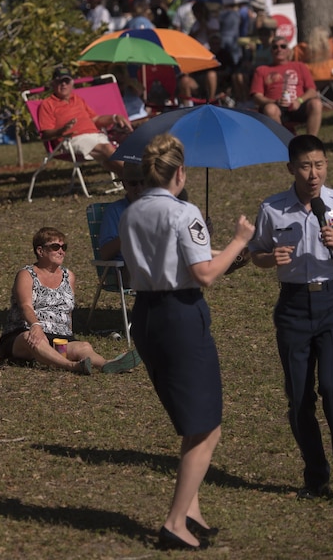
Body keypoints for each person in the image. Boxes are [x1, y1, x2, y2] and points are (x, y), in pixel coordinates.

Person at [119, 133, 254, 551]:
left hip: (145, 316)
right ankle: (175, 522)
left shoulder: (131, 211)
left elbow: (173, 258)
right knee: (206, 427)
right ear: (180, 172)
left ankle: (191, 509)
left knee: (193, 423)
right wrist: (239, 241)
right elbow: (206, 274)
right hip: (180, 315)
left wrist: (216, 250)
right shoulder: (184, 211)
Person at [249, 134, 333, 507]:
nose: (313, 173)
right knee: (299, 398)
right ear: (291, 169)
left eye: (319, 164)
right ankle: (316, 475)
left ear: (326, 166)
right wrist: (272, 258)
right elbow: (256, 254)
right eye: (305, 166)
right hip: (293, 308)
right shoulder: (273, 209)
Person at [0, 227, 141, 375]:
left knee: (83, 347)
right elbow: (25, 306)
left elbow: (68, 311)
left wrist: (68, 335)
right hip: (24, 333)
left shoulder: (69, 276)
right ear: (40, 251)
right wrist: (35, 326)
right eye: (55, 247)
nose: (61, 251)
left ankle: (107, 364)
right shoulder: (26, 274)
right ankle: (71, 366)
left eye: (63, 247)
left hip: (58, 337)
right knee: (33, 339)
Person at [37, 67, 132, 177]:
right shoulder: (47, 104)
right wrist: (62, 130)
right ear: (53, 83)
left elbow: (95, 120)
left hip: (95, 135)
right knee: (106, 149)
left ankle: (132, 184)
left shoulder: (78, 99)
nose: (63, 84)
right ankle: (139, 176)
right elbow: (45, 134)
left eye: (66, 81)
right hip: (71, 139)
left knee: (109, 160)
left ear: (72, 83)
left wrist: (115, 117)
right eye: (59, 81)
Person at [251, 36, 324, 136]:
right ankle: (284, 142)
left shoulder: (300, 66)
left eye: (283, 46)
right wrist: (275, 102)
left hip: (298, 105)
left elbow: (312, 90)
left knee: (316, 103)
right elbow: (257, 97)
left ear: (289, 51)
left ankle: (310, 141)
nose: (279, 49)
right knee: (270, 109)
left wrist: (299, 101)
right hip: (275, 106)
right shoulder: (262, 70)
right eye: (275, 47)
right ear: (271, 51)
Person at [98, 163, 146, 261]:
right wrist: (129, 235)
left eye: (143, 182)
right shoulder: (114, 211)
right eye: (133, 183)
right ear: (124, 184)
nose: (139, 188)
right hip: (128, 267)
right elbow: (105, 253)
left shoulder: (159, 208)